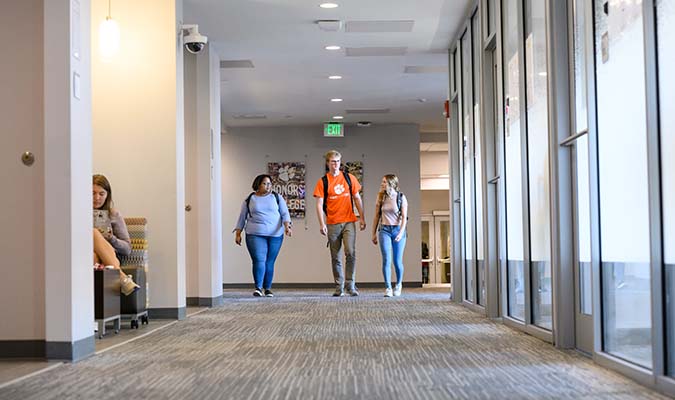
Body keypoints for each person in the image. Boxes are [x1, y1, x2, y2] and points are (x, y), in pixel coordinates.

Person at [313, 150, 366, 297]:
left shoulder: (349, 178)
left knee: (350, 252)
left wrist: (362, 217)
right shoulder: (323, 181)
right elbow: (319, 204)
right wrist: (321, 223)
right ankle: (339, 286)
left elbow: (357, 198)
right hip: (332, 223)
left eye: (337, 162)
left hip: (349, 221)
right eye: (332, 162)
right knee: (335, 256)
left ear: (340, 162)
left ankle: (351, 285)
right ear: (328, 163)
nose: (335, 165)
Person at [234, 174, 292, 297]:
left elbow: (284, 213)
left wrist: (287, 227)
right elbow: (242, 217)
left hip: (275, 234)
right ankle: (258, 288)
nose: (268, 186)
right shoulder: (250, 199)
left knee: (270, 262)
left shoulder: (277, 197)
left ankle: (268, 288)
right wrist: (238, 233)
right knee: (259, 260)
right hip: (255, 234)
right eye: (265, 183)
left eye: (269, 184)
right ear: (258, 185)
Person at [92, 174, 140, 296]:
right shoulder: (77, 212)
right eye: (92, 193)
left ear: (107, 195)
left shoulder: (114, 214)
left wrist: (111, 239)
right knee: (93, 255)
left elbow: (127, 249)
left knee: (93, 233)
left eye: (101, 194)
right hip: (87, 255)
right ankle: (123, 278)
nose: (97, 198)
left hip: (111, 256)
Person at [371, 174, 408, 297]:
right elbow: (376, 216)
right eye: (382, 182)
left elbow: (404, 218)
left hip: (398, 230)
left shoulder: (401, 197)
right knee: (386, 259)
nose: (382, 184)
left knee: (397, 261)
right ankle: (388, 287)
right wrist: (373, 233)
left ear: (392, 184)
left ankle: (398, 285)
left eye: (384, 182)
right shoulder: (380, 197)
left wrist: (401, 232)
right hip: (384, 230)